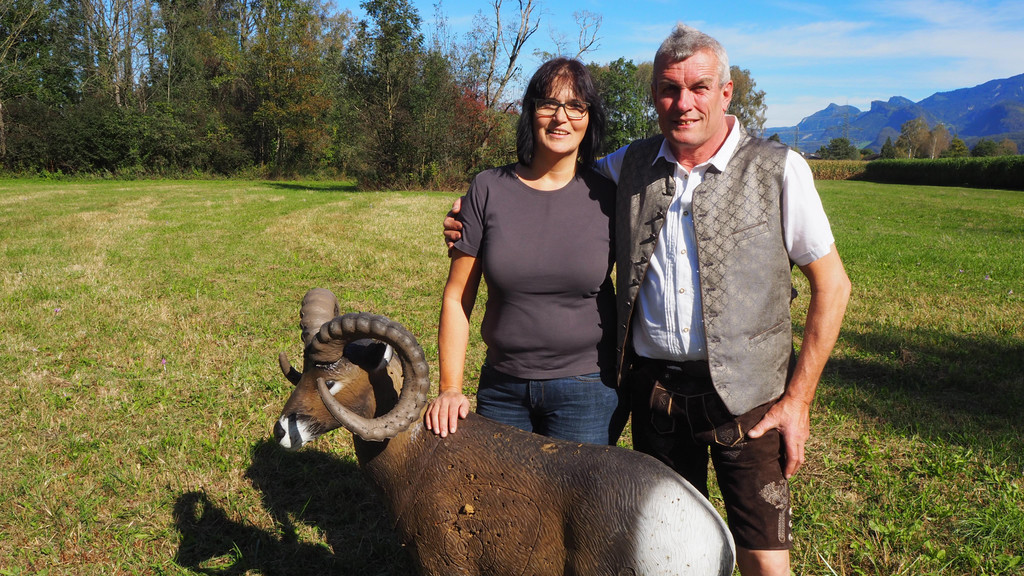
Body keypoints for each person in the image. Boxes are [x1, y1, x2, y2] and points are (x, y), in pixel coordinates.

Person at [444, 24, 852, 576]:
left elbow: (833, 286)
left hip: (750, 400)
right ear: (655, 95)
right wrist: (469, 215)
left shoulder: (778, 169)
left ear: (726, 92)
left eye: (699, 88)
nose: (684, 103)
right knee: (664, 549)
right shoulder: (627, 167)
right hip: (657, 397)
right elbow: (550, 182)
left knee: (764, 557)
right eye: (668, 89)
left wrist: (798, 402)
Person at [424, 58, 625, 446]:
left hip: (587, 391)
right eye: (548, 103)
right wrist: (450, 388)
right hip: (503, 389)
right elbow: (457, 297)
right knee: (498, 487)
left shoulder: (609, 197)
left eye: (575, 106)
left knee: (572, 489)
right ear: (531, 112)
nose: (561, 117)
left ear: (590, 117)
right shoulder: (488, 188)